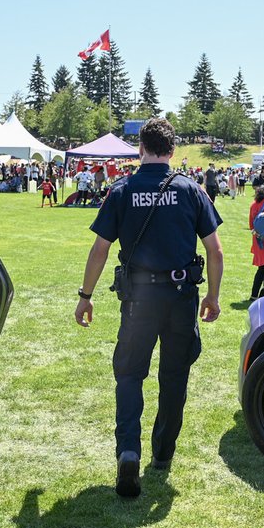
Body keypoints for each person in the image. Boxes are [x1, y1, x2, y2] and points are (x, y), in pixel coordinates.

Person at [74, 118, 224, 499]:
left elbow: (100, 249)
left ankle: (128, 450)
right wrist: (213, 296)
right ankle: (162, 453)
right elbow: (215, 250)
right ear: (172, 151)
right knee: (174, 377)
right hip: (180, 297)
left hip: (139, 300)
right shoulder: (191, 190)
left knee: (129, 374)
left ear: (140, 148)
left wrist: (85, 295)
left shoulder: (122, 189)